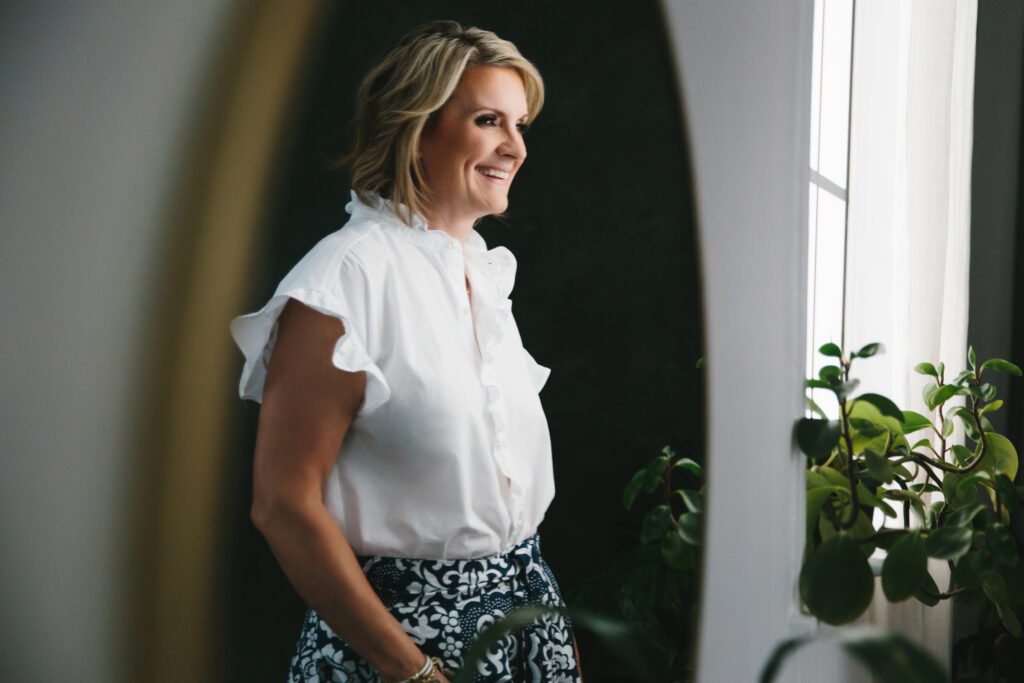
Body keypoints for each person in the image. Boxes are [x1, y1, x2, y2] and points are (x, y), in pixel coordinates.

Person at [230, 20, 581, 683]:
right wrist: (415, 672)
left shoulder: (481, 273)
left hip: (521, 637)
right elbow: (282, 503)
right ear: (417, 131)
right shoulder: (343, 280)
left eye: (520, 125)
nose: (515, 148)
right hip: (393, 656)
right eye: (488, 120)